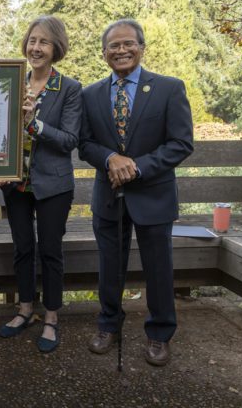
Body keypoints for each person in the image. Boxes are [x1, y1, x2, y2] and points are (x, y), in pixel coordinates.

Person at [79, 19, 193, 366]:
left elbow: (181, 143)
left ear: (142, 48)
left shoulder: (169, 88)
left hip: (154, 195)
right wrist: (111, 158)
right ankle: (108, 325)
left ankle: (159, 334)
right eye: (113, 46)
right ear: (104, 54)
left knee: (159, 269)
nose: (122, 50)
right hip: (108, 196)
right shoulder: (91, 94)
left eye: (129, 44)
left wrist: (136, 166)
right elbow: (85, 144)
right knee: (109, 267)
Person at [0, 16, 82, 354]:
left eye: (44, 42)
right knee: (22, 249)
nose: (36, 47)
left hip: (53, 186)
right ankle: (25, 310)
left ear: (55, 47)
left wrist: (35, 123)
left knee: (49, 251)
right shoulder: (13, 83)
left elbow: (69, 140)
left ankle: (51, 317)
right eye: (32, 40)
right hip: (16, 184)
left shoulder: (69, 89)